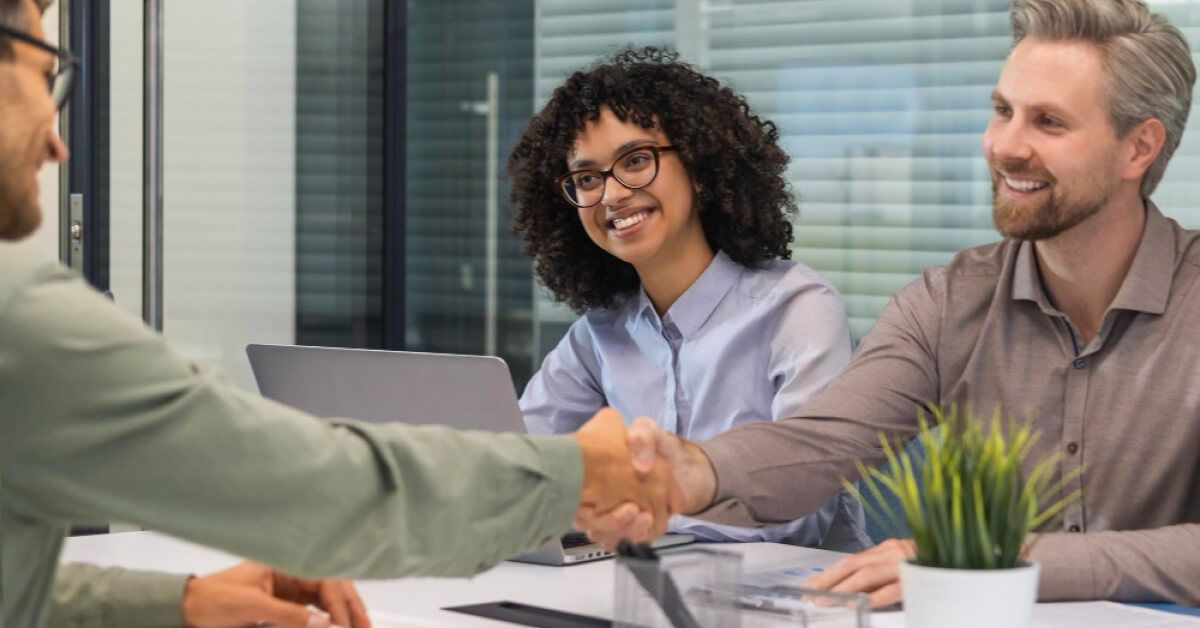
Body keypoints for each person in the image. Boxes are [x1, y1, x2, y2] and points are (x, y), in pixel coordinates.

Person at [0, 1, 682, 626]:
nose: (60, 140)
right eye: (44, 76)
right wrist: (576, 474)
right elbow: (311, 490)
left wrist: (183, 601)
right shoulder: (21, 317)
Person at [580, 0, 1200, 608]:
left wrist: (1002, 561)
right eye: (1003, 111)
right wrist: (693, 472)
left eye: (1049, 122)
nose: (1004, 146)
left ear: (1139, 148)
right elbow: (820, 444)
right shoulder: (945, 303)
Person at [509, 47, 867, 549]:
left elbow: (798, 509)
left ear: (700, 168)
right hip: (649, 588)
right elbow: (519, 461)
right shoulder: (600, 333)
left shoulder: (797, 309)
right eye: (587, 177)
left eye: (635, 161)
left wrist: (641, 521)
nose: (611, 195)